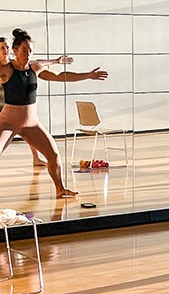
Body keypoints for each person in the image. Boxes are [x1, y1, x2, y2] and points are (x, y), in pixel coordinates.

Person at [0, 28, 108, 198]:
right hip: (7, 123)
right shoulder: (6, 70)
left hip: (31, 124)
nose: (27, 54)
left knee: (53, 155)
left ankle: (60, 189)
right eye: (23, 51)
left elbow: (61, 76)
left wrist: (88, 75)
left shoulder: (35, 67)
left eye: (30, 51)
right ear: (15, 51)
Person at [0, 37, 74, 167]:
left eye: (6, 47)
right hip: (7, 110)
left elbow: (36, 63)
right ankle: (36, 158)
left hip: (22, 112)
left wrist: (56, 61)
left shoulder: (15, 64)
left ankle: (36, 158)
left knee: (29, 128)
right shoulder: (5, 68)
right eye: (2, 48)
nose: (5, 50)